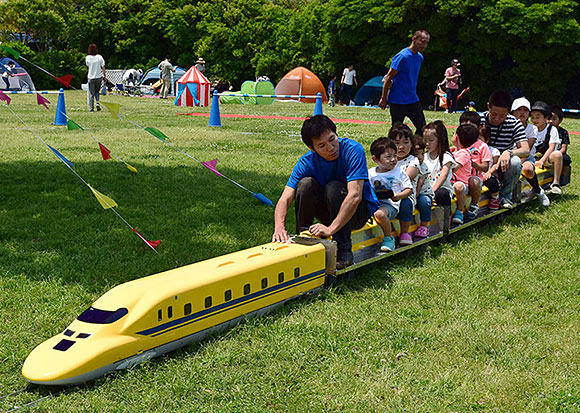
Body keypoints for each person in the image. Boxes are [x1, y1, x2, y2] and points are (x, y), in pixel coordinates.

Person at [272, 115, 380, 269]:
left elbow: (355, 196)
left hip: (357, 213)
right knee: (305, 185)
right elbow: (285, 198)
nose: (330, 147)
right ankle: (303, 240)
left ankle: (344, 251)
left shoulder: (353, 150)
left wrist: (331, 229)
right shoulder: (306, 162)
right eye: (322, 145)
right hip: (330, 211)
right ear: (312, 149)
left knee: (333, 187)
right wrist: (279, 228)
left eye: (332, 139)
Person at [480, 90, 529, 209]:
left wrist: (508, 152)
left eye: (502, 116)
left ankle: (504, 196)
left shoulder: (514, 123)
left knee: (515, 162)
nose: (497, 119)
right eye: (494, 114)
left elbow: (525, 149)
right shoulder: (478, 119)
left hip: (502, 166)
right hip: (480, 162)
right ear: (488, 107)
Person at [379, 30, 430, 134]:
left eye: (427, 43)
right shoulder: (402, 57)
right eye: (423, 42)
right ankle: (393, 149)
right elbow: (388, 77)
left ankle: (415, 148)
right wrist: (384, 98)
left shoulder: (420, 57)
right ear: (414, 39)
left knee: (422, 127)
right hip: (398, 100)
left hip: (412, 99)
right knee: (396, 131)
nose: (424, 46)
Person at [368, 138, 413, 252]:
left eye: (395, 156)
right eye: (388, 157)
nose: (393, 160)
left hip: (390, 205)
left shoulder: (398, 172)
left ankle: (389, 238)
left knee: (380, 214)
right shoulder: (370, 173)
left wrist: (398, 196)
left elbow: (409, 189)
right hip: (374, 202)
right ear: (375, 159)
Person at [511, 98, 550, 206]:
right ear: (513, 112)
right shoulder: (507, 126)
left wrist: (517, 165)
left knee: (527, 168)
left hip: (525, 157)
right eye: (519, 109)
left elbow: (527, 150)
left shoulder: (532, 129)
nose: (522, 112)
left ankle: (538, 191)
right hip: (508, 156)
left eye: (525, 110)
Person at [459, 111, 500, 210]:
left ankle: (478, 204)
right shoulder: (460, 142)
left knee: (489, 181)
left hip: (479, 176)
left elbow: (488, 166)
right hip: (462, 177)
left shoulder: (483, 147)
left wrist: (473, 164)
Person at [389, 124, 419, 245]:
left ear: (412, 144)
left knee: (405, 203)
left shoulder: (413, 161)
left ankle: (405, 232)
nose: (401, 147)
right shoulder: (388, 159)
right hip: (389, 195)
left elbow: (406, 178)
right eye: (396, 143)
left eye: (406, 142)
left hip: (405, 195)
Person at [450, 124, 481, 224]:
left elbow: (453, 168)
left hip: (462, 185)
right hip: (450, 182)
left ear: (457, 137)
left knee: (459, 186)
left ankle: (459, 211)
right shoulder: (455, 151)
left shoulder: (463, 153)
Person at [530, 101, 563, 194]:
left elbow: (551, 147)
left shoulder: (552, 129)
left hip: (546, 158)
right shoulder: (531, 129)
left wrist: (541, 160)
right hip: (533, 157)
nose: (534, 120)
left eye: (538, 117)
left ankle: (556, 183)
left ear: (546, 118)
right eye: (532, 117)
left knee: (557, 154)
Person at [422, 120, 455, 208]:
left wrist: (432, 191)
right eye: (425, 140)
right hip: (427, 190)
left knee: (441, 193)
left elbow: (443, 176)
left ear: (440, 139)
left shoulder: (446, 157)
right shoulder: (424, 156)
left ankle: (445, 217)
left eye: (431, 140)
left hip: (440, 190)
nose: (427, 143)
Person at [413, 135, 435, 237]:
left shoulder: (423, 166)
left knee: (425, 202)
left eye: (422, 154)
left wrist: (415, 196)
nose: (421, 157)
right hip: (411, 193)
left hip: (422, 193)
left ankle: (424, 225)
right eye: (417, 155)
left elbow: (420, 183)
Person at [550, 105, 572, 185]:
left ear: (560, 120)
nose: (551, 121)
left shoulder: (563, 132)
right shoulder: (546, 130)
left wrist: (558, 154)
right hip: (547, 153)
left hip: (559, 153)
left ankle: (562, 175)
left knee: (566, 159)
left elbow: (564, 147)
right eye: (549, 118)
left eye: (554, 119)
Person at [85, 44, 106, 112]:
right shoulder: (99, 57)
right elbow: (103, 67)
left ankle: (91, 108)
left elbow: (87, 65)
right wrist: (104, 76)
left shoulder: (87, 57)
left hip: (91, 77)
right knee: (97, 92)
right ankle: (97, 102)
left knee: (91, 93)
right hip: (98, 77)